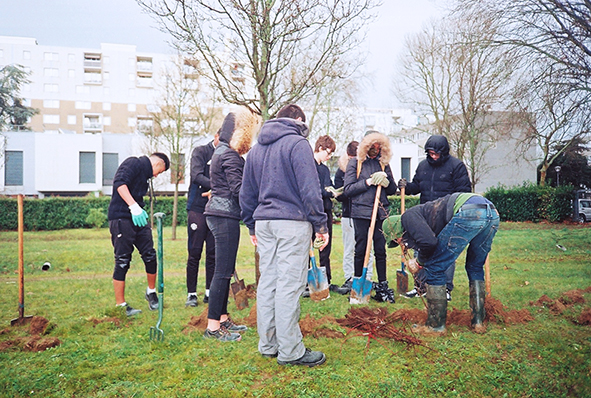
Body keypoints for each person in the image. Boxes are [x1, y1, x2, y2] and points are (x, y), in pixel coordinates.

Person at [240, 103, 329, 367]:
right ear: (298, 120)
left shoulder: (257, 149)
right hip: (291, 223)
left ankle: (268, 344)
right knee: (289, 286)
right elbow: (310, 189)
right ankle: (291, 351)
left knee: (268, 282)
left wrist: (251, 225)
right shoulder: (298, 144)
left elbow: (246, 193)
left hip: (265, 222)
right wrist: (320, 224)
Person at [383, 192, 499, 335]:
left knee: (435, 267)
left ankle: (435, 326)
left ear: (397, 229)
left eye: (397, 240)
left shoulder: (408, 217)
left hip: (469, 211)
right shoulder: (424, 216)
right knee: (475, 266)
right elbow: (434, 241)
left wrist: (418, 262)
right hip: (491, 213)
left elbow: (429, 243)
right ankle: (478, 322)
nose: (400, 243)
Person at [203, 108, 261, 342]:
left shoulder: (221, 151)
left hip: (219, 214)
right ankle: (213, 328)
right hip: (224, 216)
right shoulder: (230, 156)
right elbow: (240, 193)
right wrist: (252, 224)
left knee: (224, 271)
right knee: (222, 273)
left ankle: (224, 319)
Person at [398, 135, 471, 301]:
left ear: (444, 152)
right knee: (421, 248)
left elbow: (464, 191)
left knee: (445, 251)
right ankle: (421, 287)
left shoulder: (456, 166)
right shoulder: (423, 166)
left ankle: (445, 288)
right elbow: (417, 186)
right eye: (430, 153)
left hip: (446, 215)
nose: (433, 156)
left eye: (436, 153)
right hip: (425, 216)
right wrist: (406, 186)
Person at [107, 152, 170, 316]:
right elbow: (120, 183)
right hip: (121, 217)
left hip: (138, 218)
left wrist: (138, 209)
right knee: (122, 260)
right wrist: (133, 206)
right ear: (157, 164)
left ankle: (151, 292)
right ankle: (121, 306)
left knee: (150, 254)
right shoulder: (133, 163)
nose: (157, 175)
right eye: (160, 172)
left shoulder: (145, 176)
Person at [343, 131, 398, 303]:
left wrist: (387, 182)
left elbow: (392, 189)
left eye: (378, 147)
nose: (376, 150)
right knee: (360, 249)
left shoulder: (383, 164)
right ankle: (358, 281)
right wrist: (368, 182)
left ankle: (382, 285)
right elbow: (348, 189)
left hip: (380, 212)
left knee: (380, 250)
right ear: (366, 146)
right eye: (372, 147)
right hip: (361, 213)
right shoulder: (355, 163)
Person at [333, 140, 373, 295]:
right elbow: (339, 194)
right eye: (350, 158)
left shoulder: (366, 168)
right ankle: (350, 277)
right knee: (350, 248)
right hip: (348, 215)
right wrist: (344, 193)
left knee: (367, 248)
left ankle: (367, 277)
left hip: (364, 215)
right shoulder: (341, 172)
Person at [185, 131, 219, 307]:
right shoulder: (200, 152)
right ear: (216, 136)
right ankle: (191, 294)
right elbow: (196, 176)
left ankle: (209, 292)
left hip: (216, 210)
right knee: (195, 252)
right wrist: (216, 187)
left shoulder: (227, 154)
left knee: (212, 252)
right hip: (197, 209)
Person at [313, 135, 338, 289]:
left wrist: (334, 191)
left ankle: (326, 281)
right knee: (308, 247)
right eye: (328, 153)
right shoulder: (308, 166)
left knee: (325, 248)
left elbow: (328, 186)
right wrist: (328, 192)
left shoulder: (325, 169)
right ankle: (306, 281)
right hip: (313, 212)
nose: (329, 157)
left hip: (326, 210)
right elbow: (314, 190)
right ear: (320, 148)